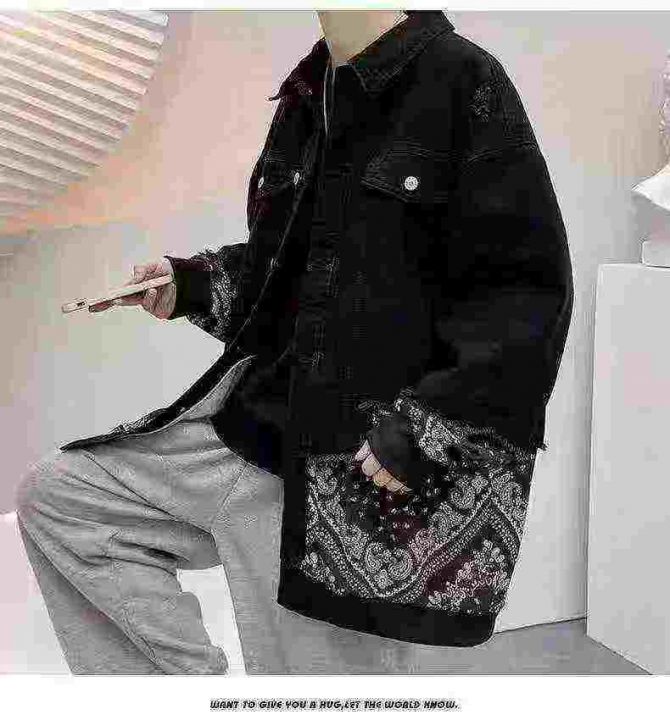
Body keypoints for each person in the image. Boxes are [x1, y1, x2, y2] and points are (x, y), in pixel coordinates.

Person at [15, 9, 574, 674]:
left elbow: (524, 294)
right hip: (243, 431)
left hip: (349, 471)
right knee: (64, 501)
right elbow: (294, 270)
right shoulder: (310, 89)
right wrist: (189, 286)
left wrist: (424, 431)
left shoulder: (462, 80)